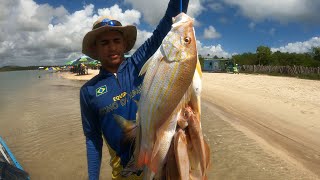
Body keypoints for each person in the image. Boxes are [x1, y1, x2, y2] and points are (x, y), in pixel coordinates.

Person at [80, 0, 189, 179]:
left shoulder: (138, 64)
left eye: (117, 40)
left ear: (124, 44)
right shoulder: (88, 91)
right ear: (95, 49)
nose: (112, 47)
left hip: (160, 162)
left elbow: (167, 24)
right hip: (124, 172)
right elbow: (93, 139)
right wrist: (93, 177)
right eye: (104, 42)